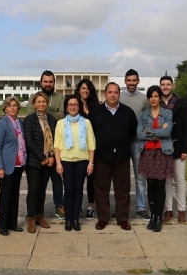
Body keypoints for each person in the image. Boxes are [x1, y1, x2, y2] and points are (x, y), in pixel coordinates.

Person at [88, 82, 137, 231]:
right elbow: (90, 135)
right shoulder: (95, 113)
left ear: (119, 94)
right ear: (105, 94)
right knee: (101, 189)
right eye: (110, 92)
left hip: (122, 157)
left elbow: (133, 131)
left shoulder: (128, 112)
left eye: (116, 92)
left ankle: (122, 218)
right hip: (102, 157)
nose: (113, 95)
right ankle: (103, 218)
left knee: (122, 190)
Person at [54, 95, 96, 232]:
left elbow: (91, 145)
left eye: (75, 104)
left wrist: (91, 163)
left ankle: (76, 218)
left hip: (82, 161)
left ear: (79, 107)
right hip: (66, 161)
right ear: (66, 107)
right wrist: (58, 164)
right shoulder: (60, 123)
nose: (73, 107)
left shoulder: (86, 123)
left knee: (78, 190)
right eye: (70, 104)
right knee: (69, 190)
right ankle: (68, 219)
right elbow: (56, 146)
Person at [27, 70, 65, 219]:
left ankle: (59, 206)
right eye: (45, 81)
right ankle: (33, 213)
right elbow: (32, 119)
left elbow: (60, 118)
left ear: (54, 83)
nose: (48, 84)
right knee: (36, 187)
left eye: (51, 82)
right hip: (38, 151)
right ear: (41, 82)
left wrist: (49, 114)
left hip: (54, 147)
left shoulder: (60, 97)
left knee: (57, 179)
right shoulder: (33, 97)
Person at [136, 86, 174, 232]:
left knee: (160, 185)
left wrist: (149, 131)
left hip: (162, 153)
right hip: (148, 153)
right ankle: (153, 216)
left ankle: (158, 217)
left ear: (159, 98)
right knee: (150, 186)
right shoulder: (143, 115)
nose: (153, 99)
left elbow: (167, 131)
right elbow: (139, 134)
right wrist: (158, 132)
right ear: (148, 98)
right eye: (151, 96)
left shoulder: (167, 113)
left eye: (156, 96)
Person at [159, 75, 187, 224]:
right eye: (163, 84)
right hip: (162, 148)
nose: (165, 87)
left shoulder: (181, 103)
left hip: (178, 147)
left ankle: (181, 210)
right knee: (167, 180)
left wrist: (186, 149)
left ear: (172, 86)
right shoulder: (157, 102)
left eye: (168, 84)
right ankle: (168, 210)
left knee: (179, 179)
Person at [118, 69, 150, 221]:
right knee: (121, 178)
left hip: (138, 143)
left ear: (138, 81)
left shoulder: (144, 99)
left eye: (134, 80)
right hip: (122, 143)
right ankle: (120, 208)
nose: (131, 83)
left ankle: (141, 208)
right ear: (125, 81)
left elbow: (148, 119)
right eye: (128, 80)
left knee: (140, 177)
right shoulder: (119, 97)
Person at [0, 96, 26, 236]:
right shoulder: (2, 124)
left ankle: (12, 223)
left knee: (14, 195)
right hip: (6, 166)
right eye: (9, 105)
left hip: (18, 165)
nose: (12, 107)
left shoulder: (20, 123)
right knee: (5, 196)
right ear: (5, 108)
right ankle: (2, 225)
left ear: (18, 107)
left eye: (14, 105)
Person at [23, 92, 57, 233]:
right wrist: (42, 158)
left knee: (42, 190)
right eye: (39, 102)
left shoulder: (52, 120)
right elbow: (29, 141)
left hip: (48, 161)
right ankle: (31, 218)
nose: (41, 104)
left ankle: (40, 216)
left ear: (47, 103)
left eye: (44, 101)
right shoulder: (29, 120)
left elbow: (56, 140)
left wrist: (51, 157)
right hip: (34, 162)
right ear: (34, 104)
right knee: (33, 190)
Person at [74, 78, 100, 219]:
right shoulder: (74, 105)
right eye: (83, 88)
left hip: (92, 147)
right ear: (79, 90)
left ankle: (91, 206)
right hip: (77, 147)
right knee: (78, 179)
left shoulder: (96, 107)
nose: (85, 91)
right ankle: (77, 206)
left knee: (92, 179)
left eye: (87, 88)